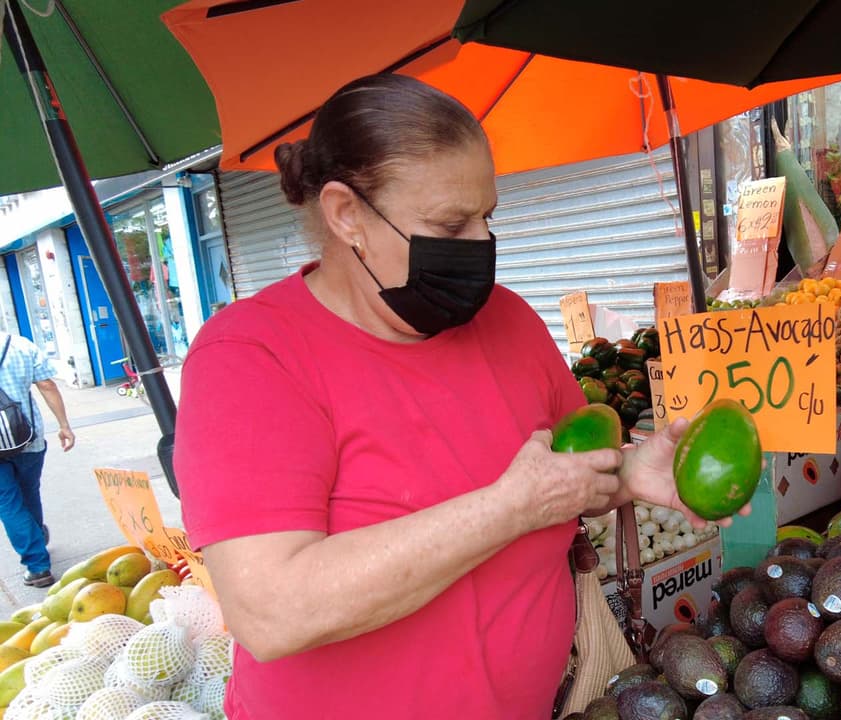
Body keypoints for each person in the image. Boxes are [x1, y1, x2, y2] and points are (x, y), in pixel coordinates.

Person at [174, 74, 742, 719]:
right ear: (346, 214)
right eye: (450, 222)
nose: (480, 245)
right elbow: (272, 611)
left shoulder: (509, 321)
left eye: (487, 217)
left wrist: (629, 473)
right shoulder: (253, 358)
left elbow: (556, 482)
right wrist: (507, 508)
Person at [0, 331, 75, 588]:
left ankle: (37, 565)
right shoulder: (19, 346)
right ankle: (37, 538)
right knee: (29, 492)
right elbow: (47, 385)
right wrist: (64, 425)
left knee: (8, 503)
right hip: (28, 437)